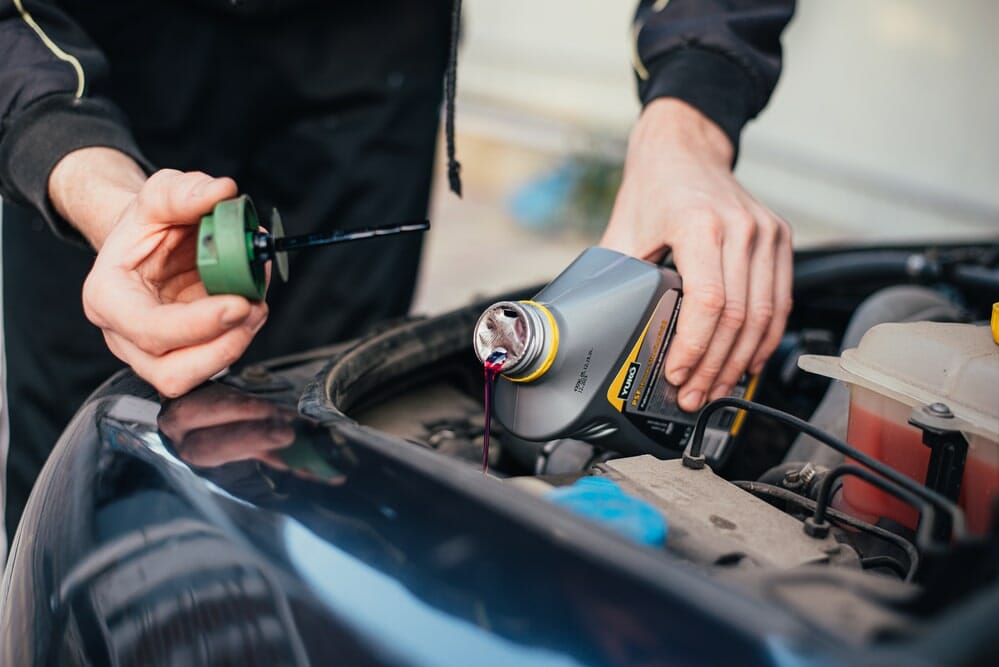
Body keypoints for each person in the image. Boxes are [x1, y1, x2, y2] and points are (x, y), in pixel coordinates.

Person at [0, 0, 793, 546]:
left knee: (331, 444)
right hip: (101, 63)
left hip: (372, 58)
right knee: (90, 478)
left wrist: (690, 116)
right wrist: (80, 171)